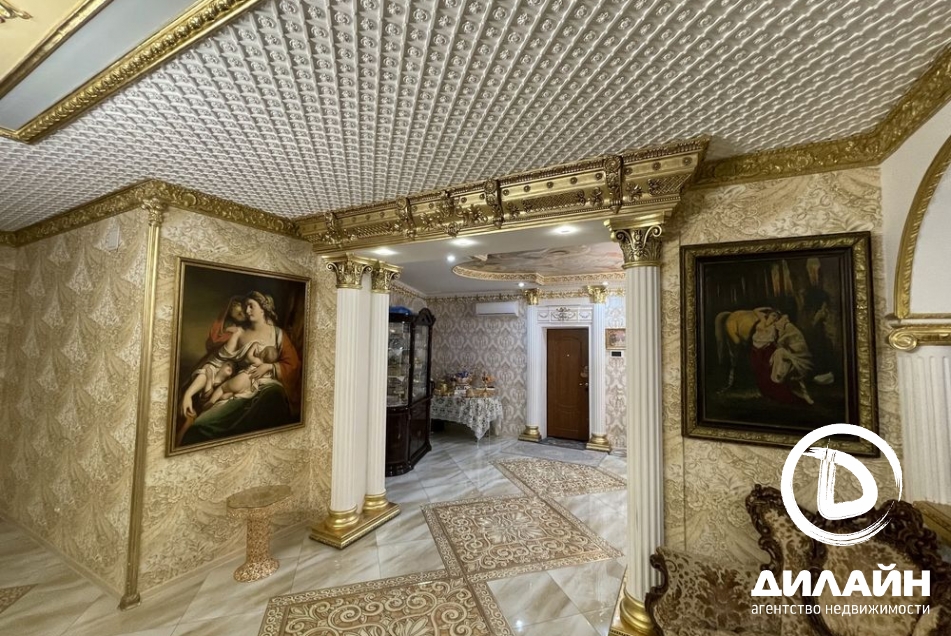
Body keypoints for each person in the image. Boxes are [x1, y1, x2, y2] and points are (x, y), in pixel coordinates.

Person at [176, 291, 301, 446]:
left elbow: (293, 366)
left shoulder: (278, 334)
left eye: (251, 306)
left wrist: (269, 366)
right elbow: (213, 366)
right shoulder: (238, 334)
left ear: (263, 309)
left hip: (265, 390)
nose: (247, 310)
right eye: (245, 306)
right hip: (235, 392)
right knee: (200, 428)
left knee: (273, 397)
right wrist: (188, 394)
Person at [202, 343, 280, 409]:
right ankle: (226, 396)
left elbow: (249, 355)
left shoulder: (258, 360)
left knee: (222, 387)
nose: (261, 350)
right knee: (230, 391)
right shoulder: (265, 370)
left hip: (240, 380)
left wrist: (253, 347)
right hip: (247, 387)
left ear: (264, 353)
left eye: (263, 350)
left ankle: (211, 401)